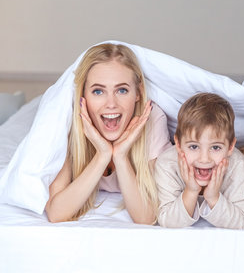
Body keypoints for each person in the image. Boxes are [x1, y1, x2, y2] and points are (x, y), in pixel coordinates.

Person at [45, 43, 172, 224]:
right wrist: (102, 155)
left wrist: (120, 156)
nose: (111, 103)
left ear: (138, 92)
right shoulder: (69, 123)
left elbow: (146, 217)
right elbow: (56, 213)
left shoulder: (151, 119)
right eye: (98, 91)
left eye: (122, 90)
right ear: (83, 96)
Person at [154, 93, 244, 229]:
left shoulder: (237, 164)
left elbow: (242, 222)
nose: (204, 159)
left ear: (230, 147)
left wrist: (213, 197)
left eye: (215, 147)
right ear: (178, 144)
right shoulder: (167, 164)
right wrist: (191, 191)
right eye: (194, 146)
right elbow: (167, 221)